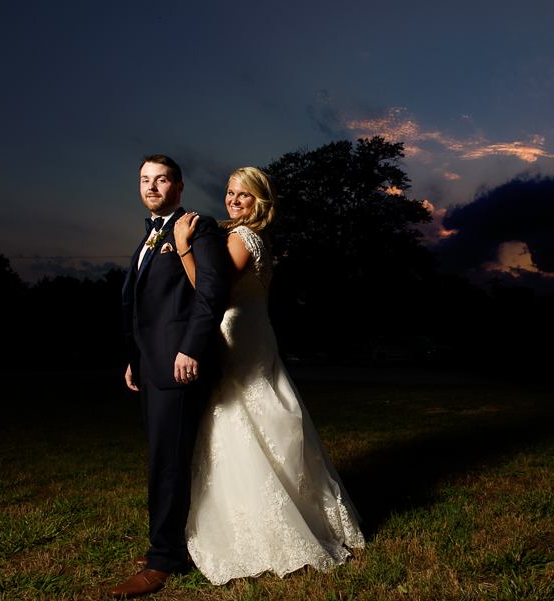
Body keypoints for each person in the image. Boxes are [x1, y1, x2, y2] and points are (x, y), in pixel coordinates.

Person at [173, 167, 365, 586]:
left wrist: (184, 249)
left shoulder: (243, 238)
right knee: (249, 414)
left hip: (241, 335)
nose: (233, 200)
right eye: (229, 193)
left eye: (244, 194)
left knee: (237, 415)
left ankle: (259, 526)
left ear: (261, 201)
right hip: (253, 332)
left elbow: (212, 292)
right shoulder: (250, 237)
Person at [112, 155, 230, 598]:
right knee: (163, 457)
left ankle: (164, 559)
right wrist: (133, 357)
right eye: (145, 180)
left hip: (180, 363)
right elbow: (146, 307)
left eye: (161, 180)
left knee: (168, 462)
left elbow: (213, 292)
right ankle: (170, 542)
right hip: (149, 364)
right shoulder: (150, 233)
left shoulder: (198, 226)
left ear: (179, 187)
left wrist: (190, 348)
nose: (152, 187)